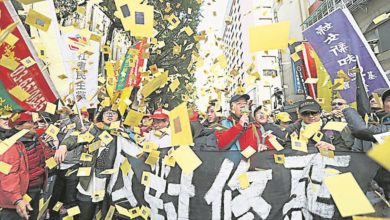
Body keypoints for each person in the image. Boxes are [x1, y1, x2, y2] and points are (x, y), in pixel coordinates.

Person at [54, 107, 121, 219]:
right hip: (89, 181)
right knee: (84, 214)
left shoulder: (123, 135)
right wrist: (63, 145)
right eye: (107, 113)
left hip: (110, 183)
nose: (110, 116)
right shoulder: (94, 130)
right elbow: (76, 138)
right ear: (102, 116)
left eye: (113, 113)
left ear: (118, 117)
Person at [0, 112, 55, 220]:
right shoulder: (10, 146)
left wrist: (61, 150)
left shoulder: (37, 139)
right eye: (30, 122)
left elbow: (46, 156)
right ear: (17, 126)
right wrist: (17, 199)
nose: (35, 124)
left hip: (36, 191)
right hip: (17, 199)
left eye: (35, 121)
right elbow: (8, 175)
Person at [342, 88, 390, 200]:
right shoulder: (376, 126)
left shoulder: (377, 129)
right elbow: (357, 153)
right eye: (388, 100)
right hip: (377, 188)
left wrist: (348, 110)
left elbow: (360, 130)